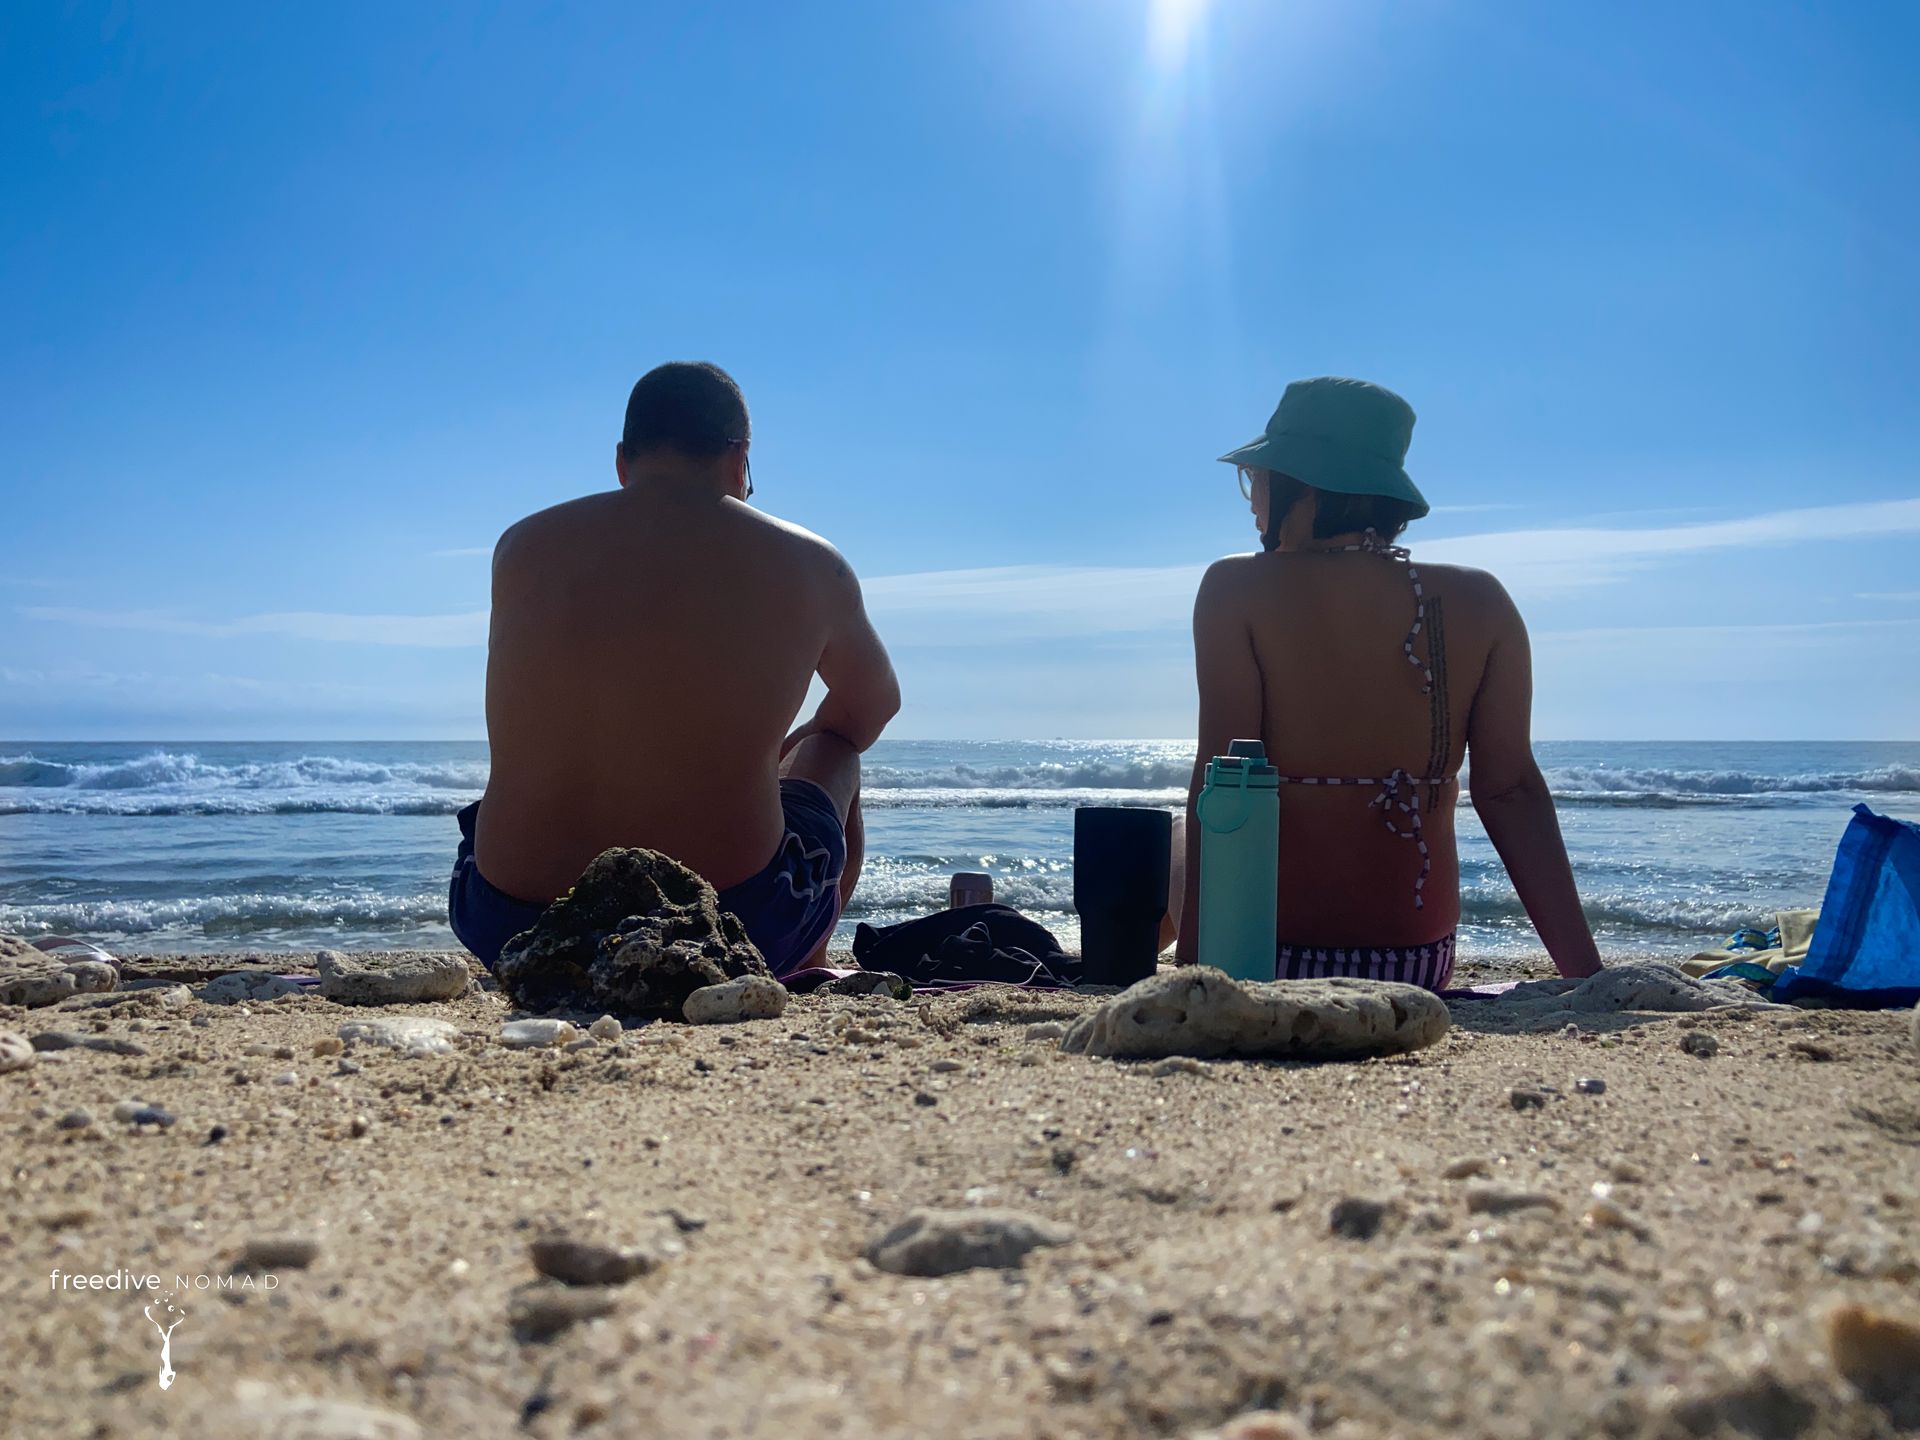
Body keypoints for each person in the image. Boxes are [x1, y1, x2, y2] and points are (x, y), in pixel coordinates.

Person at [450, 361, 901, 975]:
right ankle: (806, 962)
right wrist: (780, 756)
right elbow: (870, 710)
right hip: (735, 926)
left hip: (507, 922)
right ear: (739, 459)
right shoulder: (813, 564)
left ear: (622, 462)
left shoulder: (521, 545)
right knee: (835, 749)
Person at [1174, 376, 1602, 988]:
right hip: (1415, 963)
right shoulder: (1481, 599)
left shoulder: (1234, 588)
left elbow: (1223, 781)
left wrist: (1200, 971)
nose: (1251, 498)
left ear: (1304, 485)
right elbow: (1511, 792)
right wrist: (1587, 978)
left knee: (1177, 837)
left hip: (1265, 956)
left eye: (1256, 477)